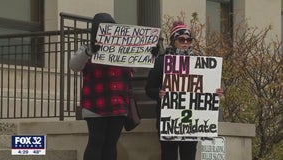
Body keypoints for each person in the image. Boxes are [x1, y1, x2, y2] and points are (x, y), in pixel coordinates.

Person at [145, 21, 223, 160]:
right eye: (181, 39)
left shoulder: (198, 63)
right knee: (169, 155)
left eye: (188, 40)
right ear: (173, 41)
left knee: (189, 155)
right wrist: (159, 93)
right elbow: (149, 88)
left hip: (192, 122)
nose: (185, 42)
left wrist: (215, 93)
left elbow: (205, 88)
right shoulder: (161, 62)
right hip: (169, 120)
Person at [69, 13, 133, 160]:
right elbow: (74, 66)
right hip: (95, 106)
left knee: (111, 144)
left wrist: (151, 55)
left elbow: (138, 65)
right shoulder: (86, 48)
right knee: (96, 142)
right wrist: (88, 52)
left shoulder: (122, 50)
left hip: (118, 105)